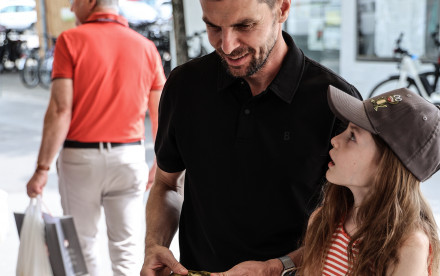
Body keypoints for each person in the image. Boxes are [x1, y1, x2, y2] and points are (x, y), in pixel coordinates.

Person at [141, 0, 362, 275]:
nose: (228, 45)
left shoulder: (336, 102)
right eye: (213, 27)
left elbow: (358, 223)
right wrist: (154, 244)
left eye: (244, 25)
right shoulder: (184, 86)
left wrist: (277, 267)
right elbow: (166, 183)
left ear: (281, 9)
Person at [25, 0, 166, 274]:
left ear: (90, 2)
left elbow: (60, 109)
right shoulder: (146, 47)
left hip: (80, 160)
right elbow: (161, 113)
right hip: (129, 157)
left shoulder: (70, 40)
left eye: (74, 2)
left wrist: (42, 168)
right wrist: (160, 162)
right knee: (126, 250)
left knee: (82, 247)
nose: (71, 8)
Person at [298, 86, 440, 275]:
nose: (335, 140)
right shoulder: (324, 220)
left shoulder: (408, 246)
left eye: (353, 136)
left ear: (386, 167)